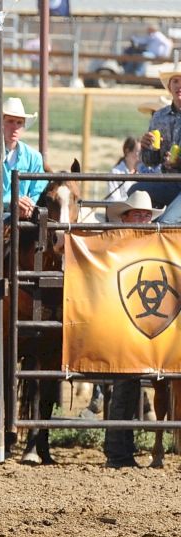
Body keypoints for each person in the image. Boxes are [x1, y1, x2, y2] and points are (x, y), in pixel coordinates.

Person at [101, 191, 163, 468]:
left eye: (146, 215)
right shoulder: (117, 244)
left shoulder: (152, 243)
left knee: (130, 385)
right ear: (125, 218)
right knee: (125, 384)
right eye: (137, 215)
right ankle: (117, 450)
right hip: (124, 321)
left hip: (145, 321)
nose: (143, 219)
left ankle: (121, 448)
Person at [131, 65, 181, 223]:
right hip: (168, 182)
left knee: (166, 223)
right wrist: (146, 148)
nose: (180, 85)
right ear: (169, 87)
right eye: (176, 81)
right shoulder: (159, 117)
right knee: (134, 192)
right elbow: (150, 161)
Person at [0, 97, 46, 220]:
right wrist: (13, 203)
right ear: (1, 123)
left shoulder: (34, 157)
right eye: (10, 121)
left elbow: (38, 190)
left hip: (23, 217)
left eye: (19, 123)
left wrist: (29, 205)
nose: (15, 127)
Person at [108, 136, 140, 202]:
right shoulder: (115, 173)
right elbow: (114, 201)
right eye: (138, 152)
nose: (140, 157)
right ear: (127, 151)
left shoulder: (144, 173)